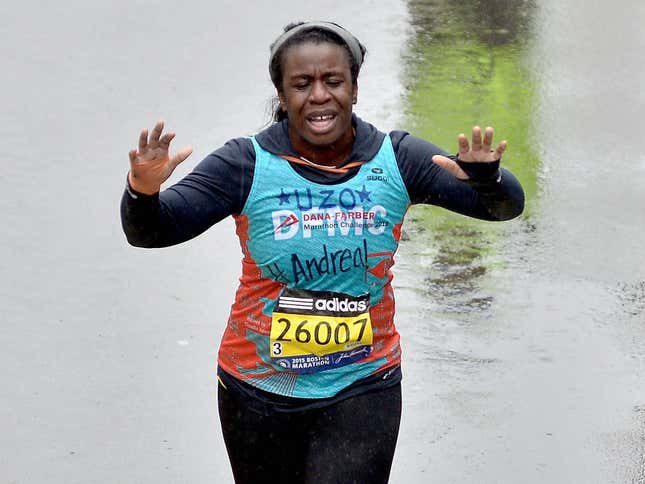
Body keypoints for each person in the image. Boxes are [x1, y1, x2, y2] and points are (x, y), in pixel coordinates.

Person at [121, 21, 524, 484]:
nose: (318, 96)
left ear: (353, 88)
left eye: (333, 81)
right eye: (302, 84)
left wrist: (487, 179)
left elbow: (504, 208)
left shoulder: (397, 159)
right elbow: (151, 231)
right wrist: (142, 191)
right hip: (257, 389)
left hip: (362, 385)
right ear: (281, 92)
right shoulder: (245, 164)